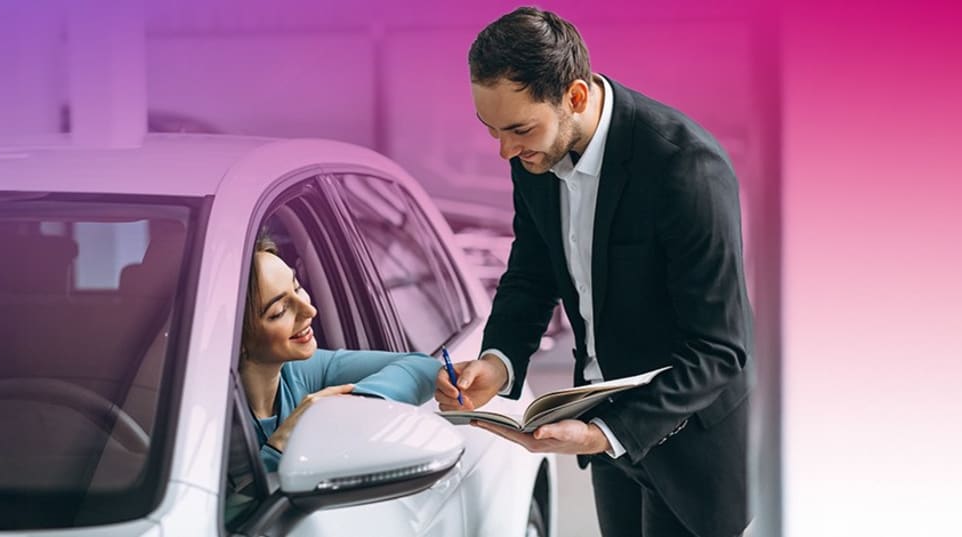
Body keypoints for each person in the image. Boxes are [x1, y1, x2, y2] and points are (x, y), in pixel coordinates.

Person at [435, 7, 756, 537]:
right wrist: (497, 362)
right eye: (491, 129)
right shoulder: (532, 156)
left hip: (689, 444)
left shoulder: (686, 168)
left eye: (518, 129)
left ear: (576, 97)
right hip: (605, 435)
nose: (505, 150)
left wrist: (606, 432)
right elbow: (532, 272)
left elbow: (720, 350)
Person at [237, 232, 440, 472]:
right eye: (280, 310)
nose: (310, 310)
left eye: (297, 287)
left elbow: (425, 367)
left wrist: (342, 409)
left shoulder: (300, 371)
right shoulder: (210, 422)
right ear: (236, 340)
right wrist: (281, 444)